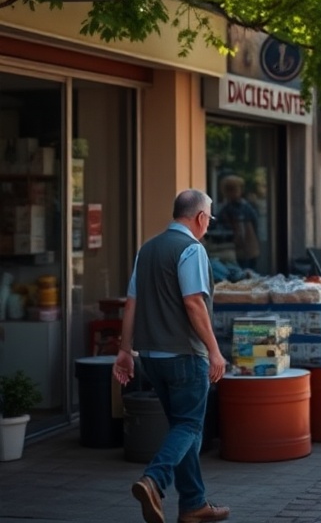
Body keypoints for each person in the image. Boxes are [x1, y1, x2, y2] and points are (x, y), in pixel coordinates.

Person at [113, 189, 229, 523]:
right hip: (184, 355)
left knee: (182, 427)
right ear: (201, 218)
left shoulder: (147, 250)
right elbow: (194, 302)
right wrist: (214, 350)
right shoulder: (191, 249)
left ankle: (193, 504)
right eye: (209, 218)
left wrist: (125, 350)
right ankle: (154, 480)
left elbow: (131, 303)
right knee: (190, 425)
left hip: (152, 357)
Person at [216, 175, 260, 272]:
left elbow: (252, 225)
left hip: (247, 248)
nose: (233, 192)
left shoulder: (245, 207)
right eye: (229, 190)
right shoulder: (227, 209)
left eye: (235, 189)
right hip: (237, 250)